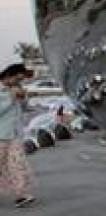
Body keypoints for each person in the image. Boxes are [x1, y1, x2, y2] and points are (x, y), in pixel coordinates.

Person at [0, 63, 35, 209]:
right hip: (1, 135)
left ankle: (20, 195)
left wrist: (24, 98)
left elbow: (25, 109)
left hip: (15, 134)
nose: (19, 82)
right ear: (9, 76)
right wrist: (11, 99)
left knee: (18, 164)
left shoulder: (15, 89)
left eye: (21, 80)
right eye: (17, 79)